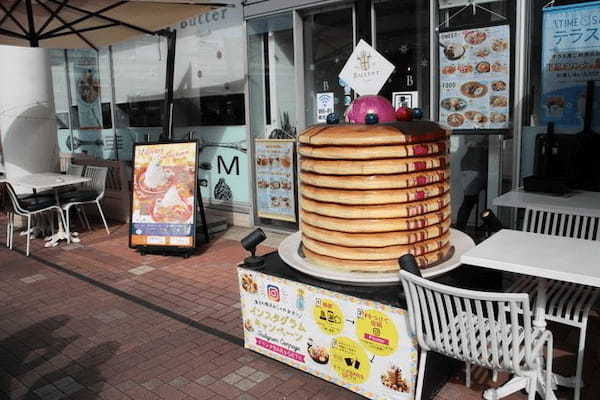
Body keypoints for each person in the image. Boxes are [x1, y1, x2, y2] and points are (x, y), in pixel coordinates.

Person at [456, 136, 488, 232]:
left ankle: (460, 229)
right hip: (475, 165)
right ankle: (460, 230)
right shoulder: (479, 129)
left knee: (470, 200)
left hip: (473, 165)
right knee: (469, 201)